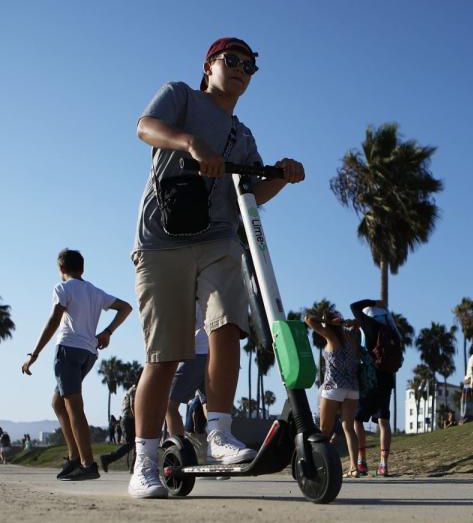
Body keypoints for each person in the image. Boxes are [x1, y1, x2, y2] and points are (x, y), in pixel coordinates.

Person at [128, 36, 305, 498]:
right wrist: (189, 141)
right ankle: (144, 462)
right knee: (164, 358)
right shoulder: (181, 96)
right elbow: (144, 127)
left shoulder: (243, 137)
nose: (242, 69)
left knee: (229, 325)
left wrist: (280, 178)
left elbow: (248, 196)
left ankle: (219, 433)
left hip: (219, 239)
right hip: (161, 241)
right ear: (209, 66)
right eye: (233, 60)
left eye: (250, 65)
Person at [21, 249, 133, 481]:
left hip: (68, 351)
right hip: (88, 354)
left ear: (61, 269)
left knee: (74, 409)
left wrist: (35, 353)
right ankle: (74, 457)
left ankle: (87, 464)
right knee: (58, 403)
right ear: (82, 268)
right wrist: (108, 332)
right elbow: (126, 307)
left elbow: (54, 320)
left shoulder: (63, 288)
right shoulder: (94, 291)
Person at [304, 310, 362, 478]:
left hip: (334, 387)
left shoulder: (330, 335)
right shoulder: (350, 336)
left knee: (324, 430)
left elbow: (308, 319)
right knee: (349, 428)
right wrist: (347, 322)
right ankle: (353, 467)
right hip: (352, 388)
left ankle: (318, 465)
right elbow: (358, 324)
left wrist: (329, 323)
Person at [350, 299, 397, 477]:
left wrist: (373, 302)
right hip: (387, 379)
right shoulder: (392, 330)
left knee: (357, 419)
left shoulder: (370, 325)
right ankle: (384, 464)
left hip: (370, 380)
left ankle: (362, 461)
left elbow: (354, 307)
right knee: (383, 421)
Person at [164, 304, 210, 457]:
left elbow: (186, 328)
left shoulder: (190, 294)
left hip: (197, 352)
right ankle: (216, 452)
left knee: (169, 404)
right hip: (213, 352)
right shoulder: (211, 290)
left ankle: (181, 454)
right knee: (208, 404)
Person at [100, 372, 139, 473]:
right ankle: (108, 458)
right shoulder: (135, 389)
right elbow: (133, 406)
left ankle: (134, 468)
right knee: (131, 444)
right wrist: (138, 420)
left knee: (137, 444)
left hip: (129, 419)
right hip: (129, 420)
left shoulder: (134, 389)